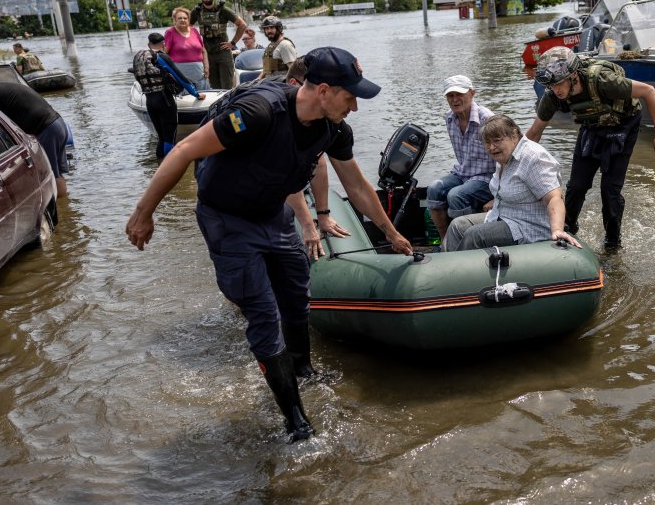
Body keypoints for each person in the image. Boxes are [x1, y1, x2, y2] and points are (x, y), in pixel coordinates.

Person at [125, 46, 413, 443]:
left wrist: (392, 234)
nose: (355, 108)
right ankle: (295, 420)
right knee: (262, 313)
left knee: (296, 295)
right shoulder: (258, 112)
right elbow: (187, 148)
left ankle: (303, 369)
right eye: (350, 98)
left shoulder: (333, 128)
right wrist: (144, 212)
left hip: (271, 214)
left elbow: (358, 187)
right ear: (324, 90)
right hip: (228, 219)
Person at [527, 46, 655, 248]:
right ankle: (567, 229)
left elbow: (649, 91)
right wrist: (515, 162)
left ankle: (612, 242)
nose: (556, 89)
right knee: (576, 186)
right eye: (551, 85)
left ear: (574, 75)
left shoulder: (603, 82)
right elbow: (534, 132)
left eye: (560, 83)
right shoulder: (552, 97)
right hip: (592, 126)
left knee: (609, 190)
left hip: (623, 125)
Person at [444, 114, 581, 252]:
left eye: (497, 140)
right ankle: (448, 265)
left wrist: (557, 229)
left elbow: (554, 197)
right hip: (503, 216)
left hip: (527, 227)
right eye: (487, 143)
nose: (491, 147)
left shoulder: (533, 156)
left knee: (474, 235)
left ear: (514, 135)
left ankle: (462, 271)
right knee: (457, 225)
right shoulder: (504, 156)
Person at [0, 72, 70, 198]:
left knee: (49, 175)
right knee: (57, 174)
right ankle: (66, 208)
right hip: (58, 124)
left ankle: (60, 211)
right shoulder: (2, 87)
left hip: (45, 129)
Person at [426, 75, 495, 240]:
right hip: (464, 173)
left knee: (456, 195)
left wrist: (498, 197)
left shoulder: (487, 119)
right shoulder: (449, 119)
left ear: (472, 93)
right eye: (450, 96)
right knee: (434, 188)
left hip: (488, 178)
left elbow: (507, 157)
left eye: (459, 94)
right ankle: (445, 241)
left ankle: (464, 243)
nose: (455, 99)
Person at [132, 32, 205, 159]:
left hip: (149, 101)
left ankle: (158, 168)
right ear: (163, 44)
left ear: (148, 44)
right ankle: (170, 167)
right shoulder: (161, 57)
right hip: (164, 101)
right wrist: (196, 94)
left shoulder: (140, 58)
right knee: (169, 138)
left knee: (161, 137)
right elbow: (179, 77)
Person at [190, 0, 247, 89]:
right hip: (207, 54)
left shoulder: (223, 10)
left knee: (227, 87)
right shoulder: (196, 11)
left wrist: (232, 43)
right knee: (214, 88)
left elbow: (242, 25)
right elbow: (186, 28)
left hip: (223, 53)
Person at [164, 6, 208, 90]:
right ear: (175, 20)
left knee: (205, 95)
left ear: (188, 19)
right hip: (181, 73)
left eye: (185, 18)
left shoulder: (194, 31)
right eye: (179, 18)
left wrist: (206, 67)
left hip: (199, 72)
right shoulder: (170, 32)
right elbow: (164, 53)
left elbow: (203, 51)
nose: (182, 20)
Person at [256, 16, 298, 81]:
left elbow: (294, 71)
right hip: (269, 83)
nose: (269, 31)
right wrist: (258, 79)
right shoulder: (271, 46)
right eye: (266, 28)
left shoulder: (285, 45)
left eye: (272, 28)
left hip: (281, 86)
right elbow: (266, 69)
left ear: (278, 29)